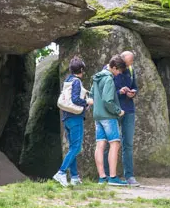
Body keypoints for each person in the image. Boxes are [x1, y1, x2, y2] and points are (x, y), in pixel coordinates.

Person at [52, 56, 93, 187]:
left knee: (72, 148)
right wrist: (87, 101)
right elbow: (75, 99)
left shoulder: (68, 80)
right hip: (76, 118)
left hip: (67, 118)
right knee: (76, 147)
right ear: (81, 69)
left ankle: (74, 177)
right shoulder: (76, 82)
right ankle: (61, 172)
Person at [90, 55, 128, 186]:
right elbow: (107, 100)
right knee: (115, 144)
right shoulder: (108, 79)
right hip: (108, 116)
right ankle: (112, 177)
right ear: (114, 68)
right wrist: (118, 111)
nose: (119, 74)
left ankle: (102, 178)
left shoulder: (97, 77)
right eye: (119, 71)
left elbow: (91, 95)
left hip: (97, 116)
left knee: (100, 145)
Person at [104, 50, 140, 187]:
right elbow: (106, 92)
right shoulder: (109, 69)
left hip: (129, 110)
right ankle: (107, 176)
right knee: (111, 142)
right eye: (126, 63)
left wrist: (133, 93)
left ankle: (129, 176)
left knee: (128, 144)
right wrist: (120, 92)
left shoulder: (131, 70)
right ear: (121, 59)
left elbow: (135, 87)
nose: (128, 66)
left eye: (130, 63)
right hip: (114, 111)